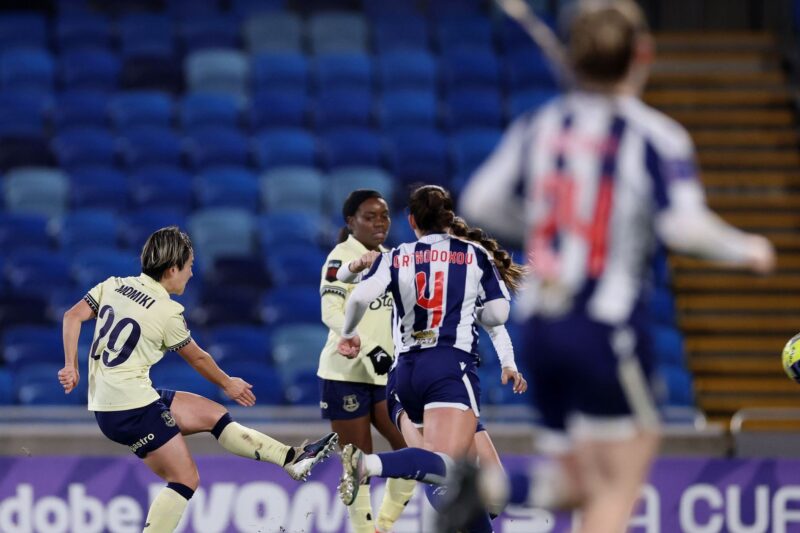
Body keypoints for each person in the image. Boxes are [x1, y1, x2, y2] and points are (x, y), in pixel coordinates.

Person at [457, 1, 776, 532]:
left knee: (575, 482)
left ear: (572, 61)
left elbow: (480, 201)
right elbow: (683, 227)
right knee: (620, 479)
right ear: (643, 55)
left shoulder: (540, 127)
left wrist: (543, 225)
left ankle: (484, 487)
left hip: (540, 324)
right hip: (605, 326)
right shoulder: (655, 135)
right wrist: (745, 248)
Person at [57, 226, 339, 533]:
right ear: (173, 268)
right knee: (185, 479)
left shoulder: (114, 285)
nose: (191, 274)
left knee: (214, 415)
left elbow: (71, 316)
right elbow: (198, 358)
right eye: (189, 266)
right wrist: (228, 382)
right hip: (130, 407)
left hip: (121, 400)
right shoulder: (166, 311)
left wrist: (71, 365)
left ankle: (291, 459)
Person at [336, 185, 526, 532]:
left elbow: (357, 293)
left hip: (406, 377)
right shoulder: (472, 255)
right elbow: (499, 314)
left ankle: (373, 466)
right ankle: (368, 465)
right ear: (450, 217)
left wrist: (348, 333)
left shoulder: (397, 256)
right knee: (447, 469)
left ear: (411, 220)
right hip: (448, 371)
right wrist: (468, 313)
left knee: (487, 491)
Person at [318, 189, 416, 533]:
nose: (379, 222)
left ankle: (384, 524)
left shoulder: (392, 258)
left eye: (384, 215)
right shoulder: (340, 259)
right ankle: (364, 529)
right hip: (345, 371)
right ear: (351, 222)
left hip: (386, 372)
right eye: (369, 216)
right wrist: (362, 343)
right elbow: (331, 310)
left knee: (411, 449)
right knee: (355, 458)